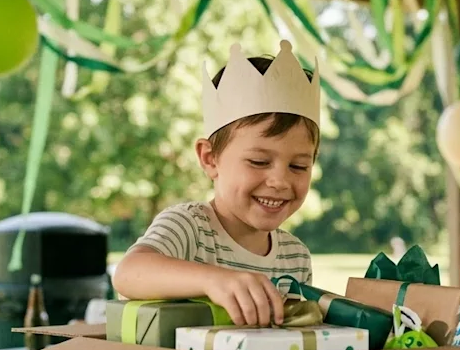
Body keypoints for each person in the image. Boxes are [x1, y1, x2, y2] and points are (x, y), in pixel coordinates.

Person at [112, 41, 319, 327]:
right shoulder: (189, 228)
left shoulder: (296, 258)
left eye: (298, 166)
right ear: (210, 159)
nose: (280, 181)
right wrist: (213, 280)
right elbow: (128, 274)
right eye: (259, 162)